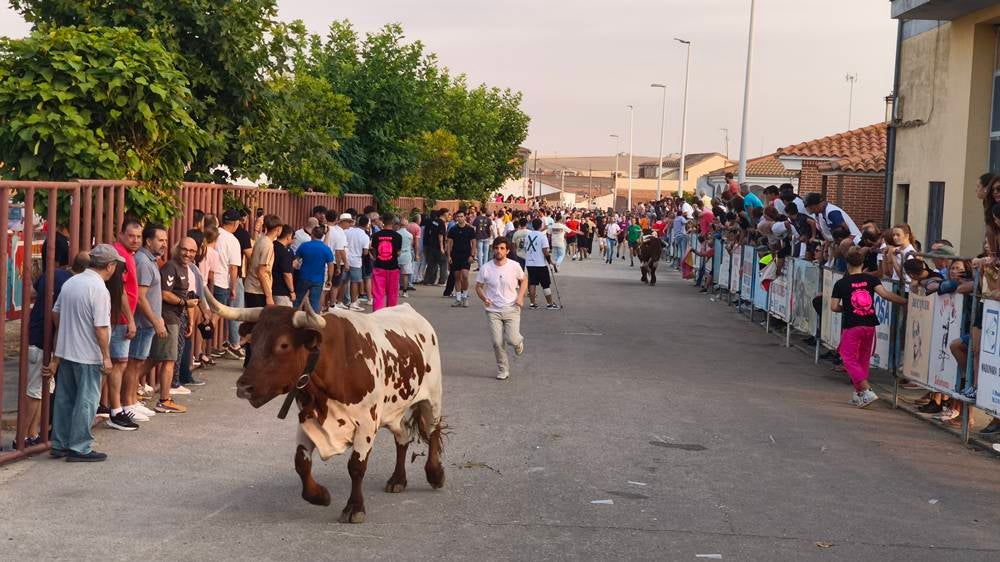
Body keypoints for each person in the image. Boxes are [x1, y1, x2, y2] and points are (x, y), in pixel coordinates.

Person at [45, 244, 124, 461]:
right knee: (87, 401)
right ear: (110, 266)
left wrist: (66, 337)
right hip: (89, 354)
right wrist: (106, 356)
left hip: (68, 351)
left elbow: (56, 313)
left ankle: (60, 443)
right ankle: (80, 447)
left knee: (65, 399)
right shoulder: (99, 289)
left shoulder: (72, 282)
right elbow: (100, 327)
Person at [831, 246, 907, 408]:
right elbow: (886, 294)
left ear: (847, 263)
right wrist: (906, 302)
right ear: (863, 262)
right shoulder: (871, 280)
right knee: (863, 358)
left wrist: (847, 307)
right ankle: (859, 393)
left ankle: (866, 390)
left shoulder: (841, 283)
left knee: (848, 357)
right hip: (869, 323)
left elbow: (834, 307)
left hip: (852, 324)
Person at [18, 245, 75, 448]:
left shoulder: (51, 275)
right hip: (42, 341)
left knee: (41, 390)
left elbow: (32, 292)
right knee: (36, 391)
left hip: (38, 338)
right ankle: (22, 437)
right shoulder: (69, 281)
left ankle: (31, 435)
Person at [149, 237, 197, 414]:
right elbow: (164, 294)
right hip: (168, 317)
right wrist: (184, 303)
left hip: (176, 317)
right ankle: (164, 400)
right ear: (178, 249)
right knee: (168, 359)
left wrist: (189, 318)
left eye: (192, 251)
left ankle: (134, 394)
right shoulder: (171, 266)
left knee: (156, 358)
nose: (188, 254)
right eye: (185, 249)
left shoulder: (185, 267)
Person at [103, 219, 140, 429]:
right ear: (120, 235)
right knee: (118, 363)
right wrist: (131, 320)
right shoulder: (119, 258)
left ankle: (106, 405)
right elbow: (121, 292)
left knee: (115, 363)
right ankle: (116, 410)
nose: (135, 240)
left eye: (138, 236)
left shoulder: (126, 256)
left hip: (119, 318)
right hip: (120, 319)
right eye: (131, 236)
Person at [476, 238, 528, 380]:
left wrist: (520, 297)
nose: (498, 251)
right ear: (493, 249)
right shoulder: (486, 268)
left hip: (512, 308)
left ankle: (518, 341)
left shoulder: (514, 266)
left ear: (507, 251)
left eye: (502, 248)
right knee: (497, 343)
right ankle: (503, 369)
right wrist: (484, 298)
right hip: (493, 311)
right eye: (496, 248)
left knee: (511, 339)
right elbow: (478, 286)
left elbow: (524, 280)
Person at [216, 210, 245, 359]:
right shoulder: (233, 240)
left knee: (208, 315)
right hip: (222, 281)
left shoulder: (214, 234)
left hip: (209, 280)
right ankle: (233, 344)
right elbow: (233, 267)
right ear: (235, 223)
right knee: (222, 314)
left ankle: (205, 350)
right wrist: (233, 287)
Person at [295, 225, 336, 312]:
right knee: (314, 302)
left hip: (303, 277)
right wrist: (329, 280)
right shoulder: (326, 249)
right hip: (318, 279)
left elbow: (295, 261)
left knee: (298, 299)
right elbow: (330, 266)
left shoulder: (304, 246)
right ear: (322, 236)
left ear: (312, 234)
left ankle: (292, 318)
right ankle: (313, 322)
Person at [245, 214, 281, 307]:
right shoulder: (268, 244)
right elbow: (261, 272)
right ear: (278, 229)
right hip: (257, 290)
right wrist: (269, 296)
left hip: (251, 287)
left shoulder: (261, 240)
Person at [523, 218, 559, 309]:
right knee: (545, 284)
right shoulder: (543, 236)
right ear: (541, 225)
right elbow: (545, 251)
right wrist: (550, 261)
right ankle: (550, 303)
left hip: (530, 263)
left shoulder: (528, 236)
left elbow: (525, 248)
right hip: (540, 264)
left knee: (532, 283)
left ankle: (532, 304)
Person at [370, 213, 403, 311]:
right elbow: (398, 253)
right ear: (393, 222)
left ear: (382, 222)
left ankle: (377, 314)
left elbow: (375, 250)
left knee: (378, 293)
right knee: (392, 293)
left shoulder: (376, 235)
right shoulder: (398, 236)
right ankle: (390, 315)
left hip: (379, 266)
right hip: (393, 267)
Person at [447, 210, 477, 307]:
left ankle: (465, 297)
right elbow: (449, 243)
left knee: (464, 275)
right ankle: (458, 298)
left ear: (465, 217)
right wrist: (449, 256)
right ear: (456, 218)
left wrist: (472, 255)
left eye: (462, 216)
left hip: (466, 256)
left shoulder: (470, 229)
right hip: (455, 255)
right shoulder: (453, 229)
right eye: (458, 216)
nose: (460, 218)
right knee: (457, 277)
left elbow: (473, 243)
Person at [345, 215, 372, 311]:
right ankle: (353, 302)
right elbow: (365, 252)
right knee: (355, 282)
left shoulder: (348, 231)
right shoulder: (365, 236)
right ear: (367, 224)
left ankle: (340, 301)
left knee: (343, 281)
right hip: (356, 261)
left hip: (346, 259)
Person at [271, 225, 296, 306]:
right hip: (281, 291)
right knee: (285, 316)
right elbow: (287, 274)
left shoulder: (271, 245)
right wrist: (292, 291)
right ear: (288, 236)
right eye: (293, 237)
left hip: (269, 287)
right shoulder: (285, 252)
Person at [422, 210, 448, 286]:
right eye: (447, 213)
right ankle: (442, 281)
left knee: (432, 263)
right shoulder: (441, 223)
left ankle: (429, 280)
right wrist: (442, 247)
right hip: (438, 246)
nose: (449, 215)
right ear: (444, 214)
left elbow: (431, 232)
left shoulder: (434, 222)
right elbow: (440, 235)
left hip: (431, 245)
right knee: (443, 263)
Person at [398, 216, 417, 298]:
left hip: (397, 255)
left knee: (397, 274)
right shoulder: (410, 235)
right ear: (407, 225)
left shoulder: (396, 233)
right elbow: (411, 245)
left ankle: (396, 291)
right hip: (406, 255)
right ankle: (405, 292)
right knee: (405, 275)